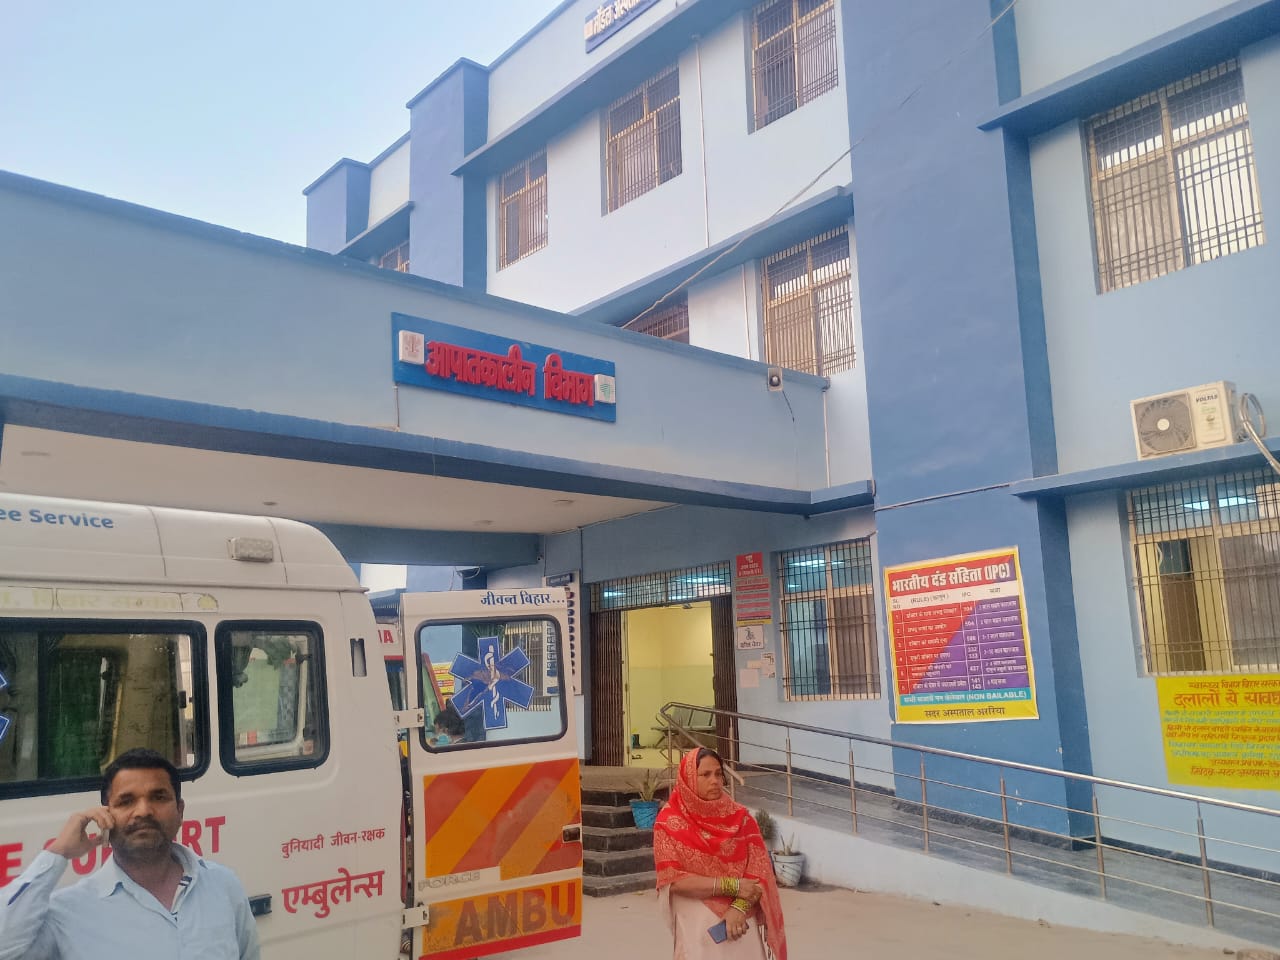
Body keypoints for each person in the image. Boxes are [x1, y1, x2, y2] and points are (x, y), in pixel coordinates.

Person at [0, 748, 259, 960]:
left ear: (180, 811)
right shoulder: (69, 910)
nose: (143, 811)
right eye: (126, 801)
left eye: (159, 797)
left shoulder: (223, 885)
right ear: (105, 815)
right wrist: (58, 852)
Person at [653, 747, 787, 959]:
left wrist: (739, 908)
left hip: (740, 923)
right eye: (705, 775)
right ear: (688, 778)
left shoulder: (741, 818)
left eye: (718, 774)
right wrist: (732, 886)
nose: (714, 781)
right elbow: (673, 880)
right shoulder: (669, 822)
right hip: (697, 923)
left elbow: (760, 872)